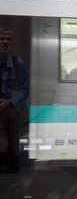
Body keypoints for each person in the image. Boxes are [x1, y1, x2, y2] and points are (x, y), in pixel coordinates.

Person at [0, 27, 29, 173]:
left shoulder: (19, 64)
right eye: (2, 39)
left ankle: (12, 163)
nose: (5, 42)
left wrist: (10, 101)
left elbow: (25, 90)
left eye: (8, 40)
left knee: (13, 141)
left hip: (10, 108)